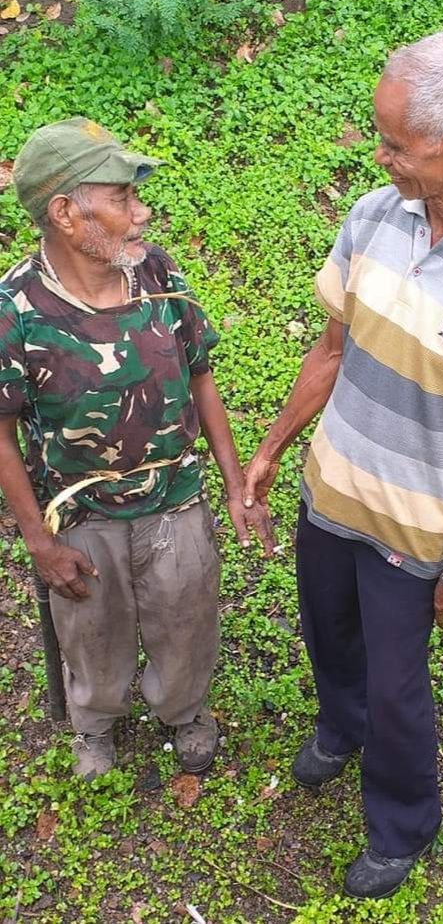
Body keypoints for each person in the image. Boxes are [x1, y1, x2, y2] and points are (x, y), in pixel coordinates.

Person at [244, 32, 443, 899]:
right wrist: (274, 448)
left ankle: (400, 820)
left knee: (399, 687)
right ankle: (337, 724)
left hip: (413, 529)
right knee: (328, 632)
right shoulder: (373, 215)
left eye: (396, 143)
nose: (379, 156)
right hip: (333, 489)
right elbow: (328, 351)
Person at [0, 117, 273, 780]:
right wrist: (36, 536)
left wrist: (236, 485)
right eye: (121, 198)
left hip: (173, 499)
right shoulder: (15, 311)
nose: (141, 212)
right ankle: (94, 723)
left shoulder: (156, 275)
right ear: (64, 212)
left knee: (186, 611)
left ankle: (184, 709)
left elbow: (200, 374)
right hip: (80, 515)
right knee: (91, 629)